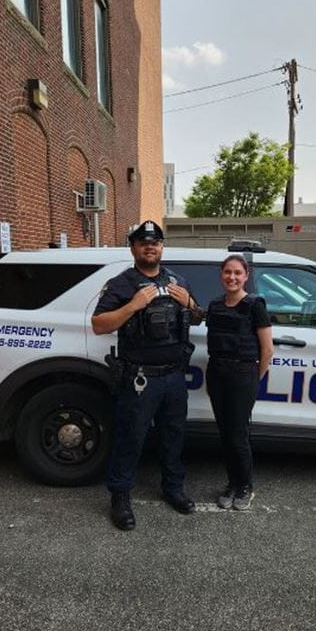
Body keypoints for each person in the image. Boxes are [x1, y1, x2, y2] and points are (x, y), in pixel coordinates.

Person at [92, 221, 203, 531]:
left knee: (173, 436)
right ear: (133, 248)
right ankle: (120, 497)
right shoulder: (122, 284)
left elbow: (197, 317)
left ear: (162, 247)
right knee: (131, 437)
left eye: (155, 242)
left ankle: (173, 488)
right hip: (139, 379)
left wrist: (191, 304)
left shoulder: (178, 280)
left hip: (174, 377)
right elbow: (99, 324)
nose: (149, 246)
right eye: (143, 242)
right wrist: (134, 304)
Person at [204, 255, 273, 511]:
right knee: (225, 433)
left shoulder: (255, 305)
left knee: (238, 434)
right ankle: (232, 484)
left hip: (243, 375)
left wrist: (254, 378)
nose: (232, 277)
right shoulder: (215, 305)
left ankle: (245, 486)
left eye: (237, 273)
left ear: (245, 276)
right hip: (217, 372)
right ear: (221, 274)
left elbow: (267, 350)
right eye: (227, 272)